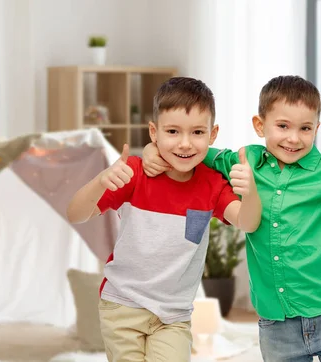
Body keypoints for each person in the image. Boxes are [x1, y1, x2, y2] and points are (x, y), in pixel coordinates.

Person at [141, 75, 321, 361]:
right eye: (283, 126)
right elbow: (190, 154)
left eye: (305, 128)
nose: (294, 137)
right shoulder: (245, 161)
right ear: (260, 126)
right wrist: (151, 148)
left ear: (316, 129)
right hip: (276, 321)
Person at [67, 77, 262, 362]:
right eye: (173, 131)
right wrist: (101, 181)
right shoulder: (133, 172)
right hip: (122, 306)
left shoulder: (211, 184)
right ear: (154, 133)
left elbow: (248, 223)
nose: (185, 143)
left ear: (212, 134)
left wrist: (252, 191)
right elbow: (76, 213)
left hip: (174, 316)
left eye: (197, 132)